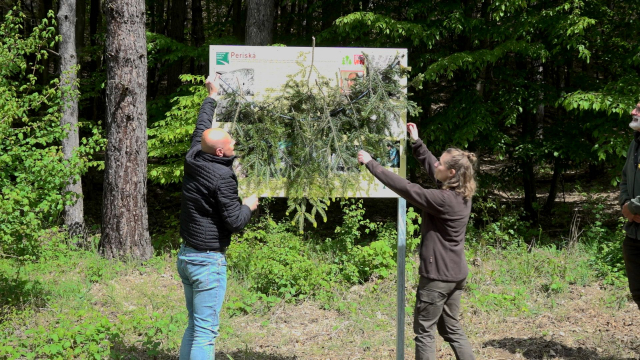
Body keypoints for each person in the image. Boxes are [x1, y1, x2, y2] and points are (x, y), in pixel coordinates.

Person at [357, 122, 476, 360]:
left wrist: (371, 163)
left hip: (437, 278)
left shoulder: (443, 200)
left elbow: (408, 189)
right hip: (455, 274)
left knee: (424, 332)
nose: (437, 165)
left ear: (451, 173)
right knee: (451, 329)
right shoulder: (462, 191)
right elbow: (434, 168)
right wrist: (417, 143)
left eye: (441, 163)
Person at [177, 74, 259, 359]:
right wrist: (249, 205)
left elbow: (202, 127)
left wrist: (211, 96)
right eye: (231, 142)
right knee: (206, 332)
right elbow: (235, 222)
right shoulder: (222, 176)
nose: (235, 141)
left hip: (187, 256)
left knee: (195, 326)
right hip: (207, 261)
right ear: (221, 151)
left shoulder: (194, 155)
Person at [619, 101, 640, 310]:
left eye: (639, 109)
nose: (633, 112)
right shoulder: (635, 143)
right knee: (638, 292)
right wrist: (625, 205)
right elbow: (625, 177)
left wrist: (633, 208)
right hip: (634, 234)